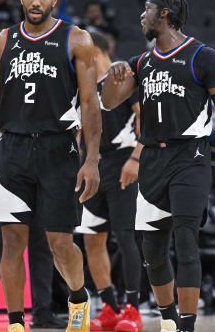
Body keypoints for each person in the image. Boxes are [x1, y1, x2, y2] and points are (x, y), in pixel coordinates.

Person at [102, 0, 215, 332]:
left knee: (186, 240)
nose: (141, 16)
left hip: (191, 156)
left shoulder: (202, 56)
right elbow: (110, 102)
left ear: (165, 14)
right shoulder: (141, 62)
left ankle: (187, 325)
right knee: (153, 252)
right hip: (152, 159)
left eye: (147, 9)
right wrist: (114, 76)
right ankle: (170, 320)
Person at [0, 0, 102, 332]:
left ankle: (78, 296)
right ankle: (15, 324)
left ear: (54, 0)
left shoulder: (77, 39)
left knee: (60, 243)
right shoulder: (1, 41)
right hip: (11, 149)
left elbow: (90, 105)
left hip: (58, 149)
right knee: (11, 240)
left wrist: (92, 160)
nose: (36, 2)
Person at [74, 31, 143, 332]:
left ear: (98, 49)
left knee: (126, 236)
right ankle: (111, 307)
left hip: (124, 159)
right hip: (93, 165)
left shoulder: (122, 76)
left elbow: (147, 120)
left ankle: (133, 309)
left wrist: (137, 158)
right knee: (91, 237)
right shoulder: (83, 89)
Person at [0, 221, 67, 330]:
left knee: (41, 244)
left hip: (39, 204)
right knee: (5, 244)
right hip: (7, 204)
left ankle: (42, 312)